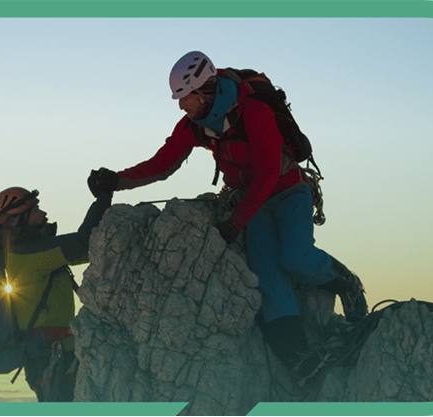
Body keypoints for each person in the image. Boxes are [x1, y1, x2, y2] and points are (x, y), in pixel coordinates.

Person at [88, 51, 368, 385]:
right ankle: (299, 358)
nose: (181, 106)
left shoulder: (256, 113)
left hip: (289, 190)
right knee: (267, 273)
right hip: (253, 201)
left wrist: (234, 224)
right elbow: (163, 163)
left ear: (205, 91)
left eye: (186, 98)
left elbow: (268, 174)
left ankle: (346, 283)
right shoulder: (196, 126)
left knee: (296, 257)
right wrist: (116, 180)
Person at [0, 181, 113, 401]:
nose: (43, 214)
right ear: (17, 220)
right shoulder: (28, 256)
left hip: (55, 359)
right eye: (35, 210)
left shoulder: (32, 254)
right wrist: (104, 195)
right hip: (54, 362)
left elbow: (87, 251)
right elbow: (83, 244)